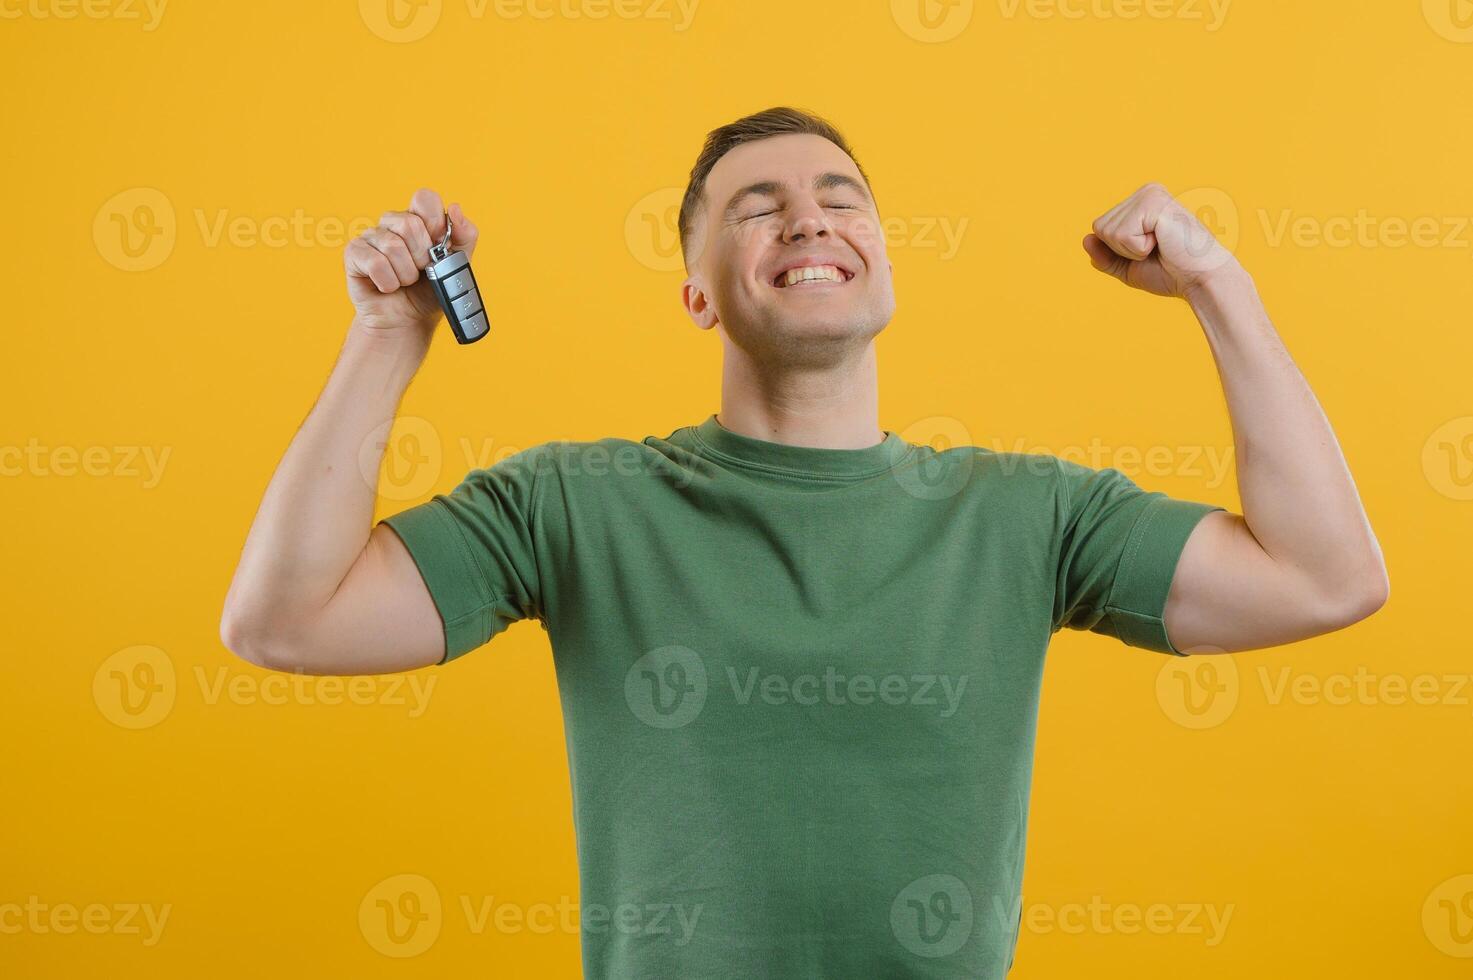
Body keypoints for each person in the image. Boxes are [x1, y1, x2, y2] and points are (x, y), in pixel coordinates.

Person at [220, 106, 1388, 978]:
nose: (810, 215)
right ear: (699, 295)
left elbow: (1325, 576)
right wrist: (386, 335)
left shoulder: (1028, 514)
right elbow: (286, 619)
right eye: (757, 205)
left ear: (881, 259)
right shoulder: (575, 503)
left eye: (840, 195)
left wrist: (1217, 283)